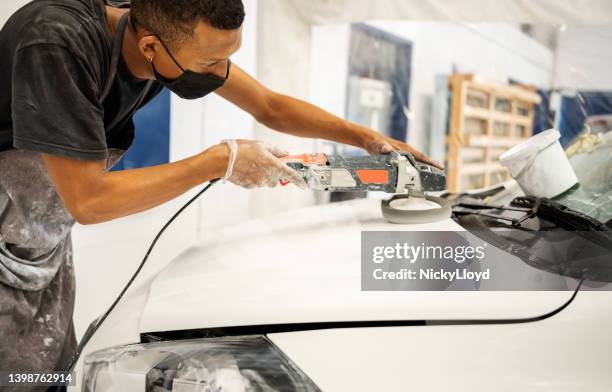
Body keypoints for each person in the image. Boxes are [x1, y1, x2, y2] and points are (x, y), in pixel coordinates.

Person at [0, 0, 441, 382]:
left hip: (41, 240)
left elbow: (268, 105)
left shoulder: (163, 27)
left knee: (47, 368)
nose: (219, 74)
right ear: (151, 47)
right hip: (8, 230)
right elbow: (90, 200)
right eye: (209, 63)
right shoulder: (56, 45)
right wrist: (218, 162)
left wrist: (364, 138)